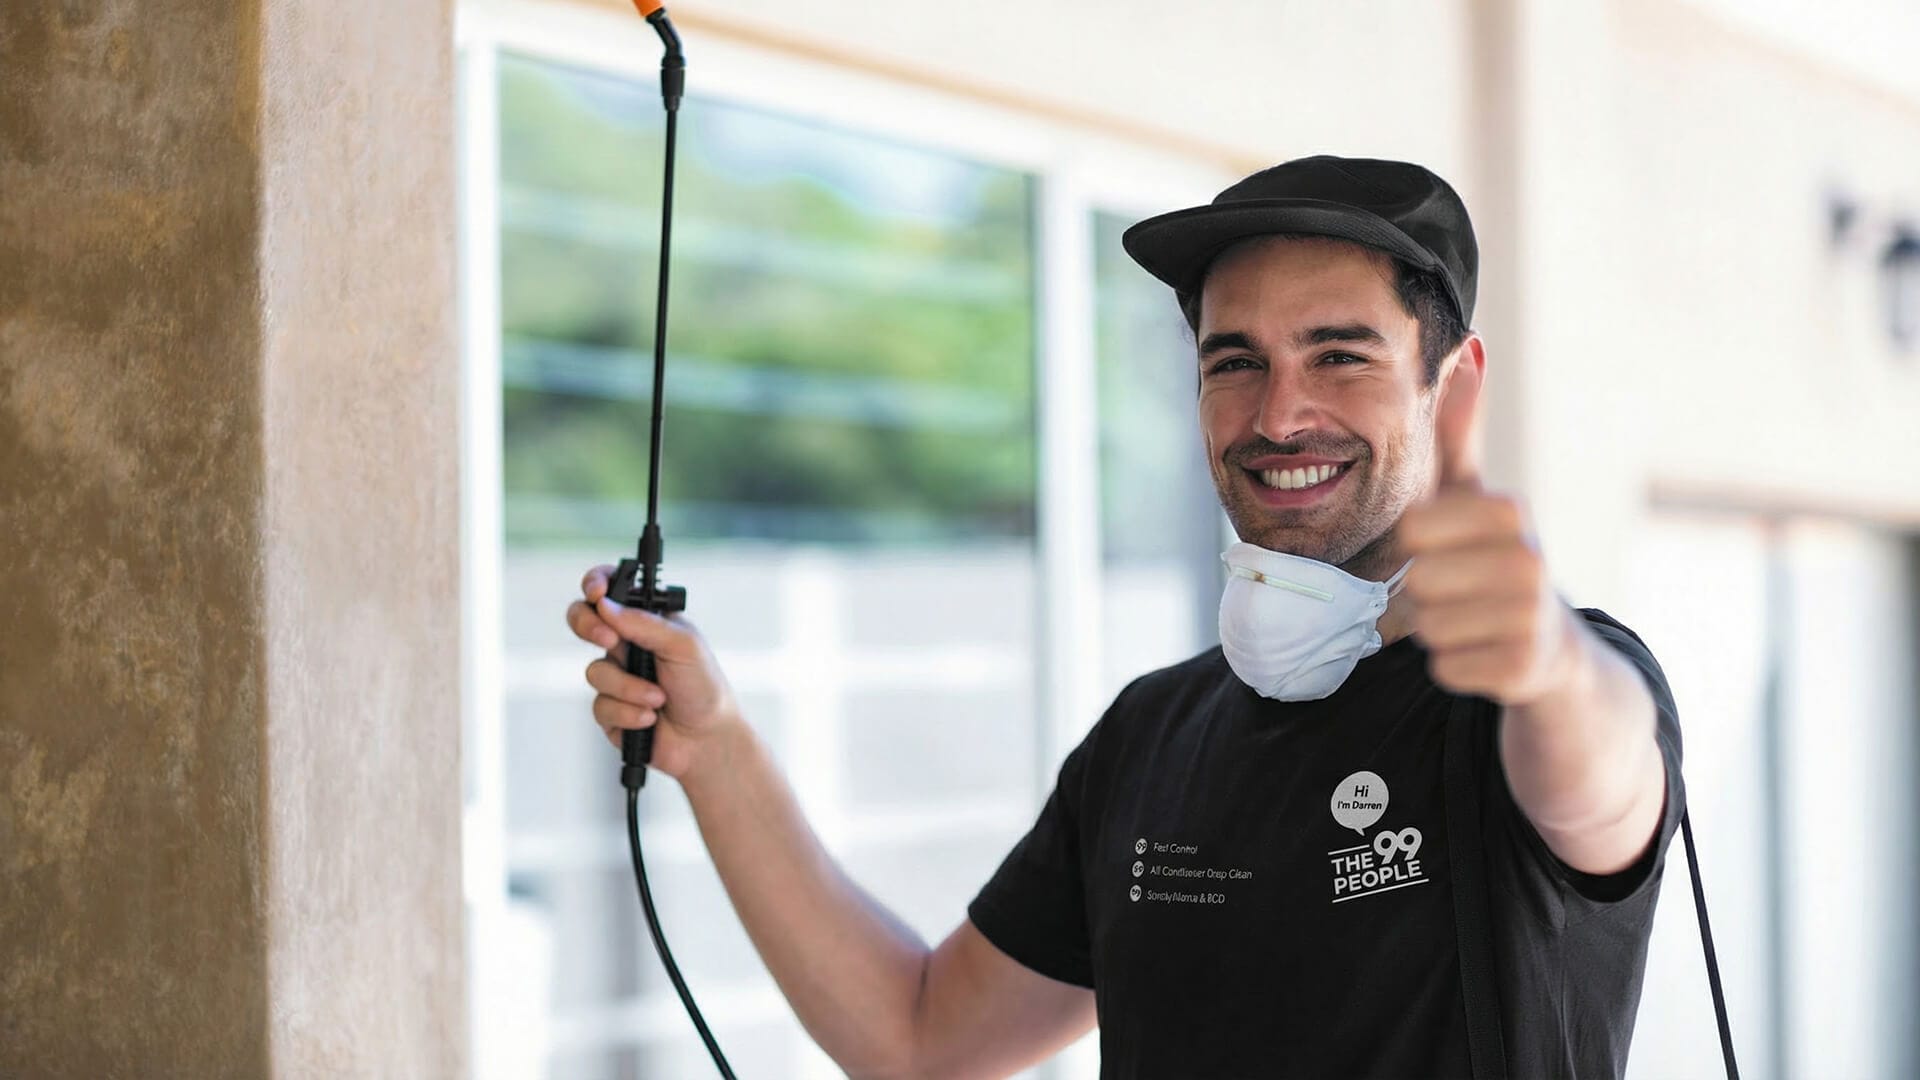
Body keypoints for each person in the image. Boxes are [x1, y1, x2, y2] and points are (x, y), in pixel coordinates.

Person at [564, 155, 1683, 1079]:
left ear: (1454, 382)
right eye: (1233, 362)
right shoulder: (1153, 735)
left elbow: (1598, 771)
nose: (1281, 413)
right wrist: (715, 755)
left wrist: (1545, 661)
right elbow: (918, 1039)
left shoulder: (1534, 695)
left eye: (1340, 355)